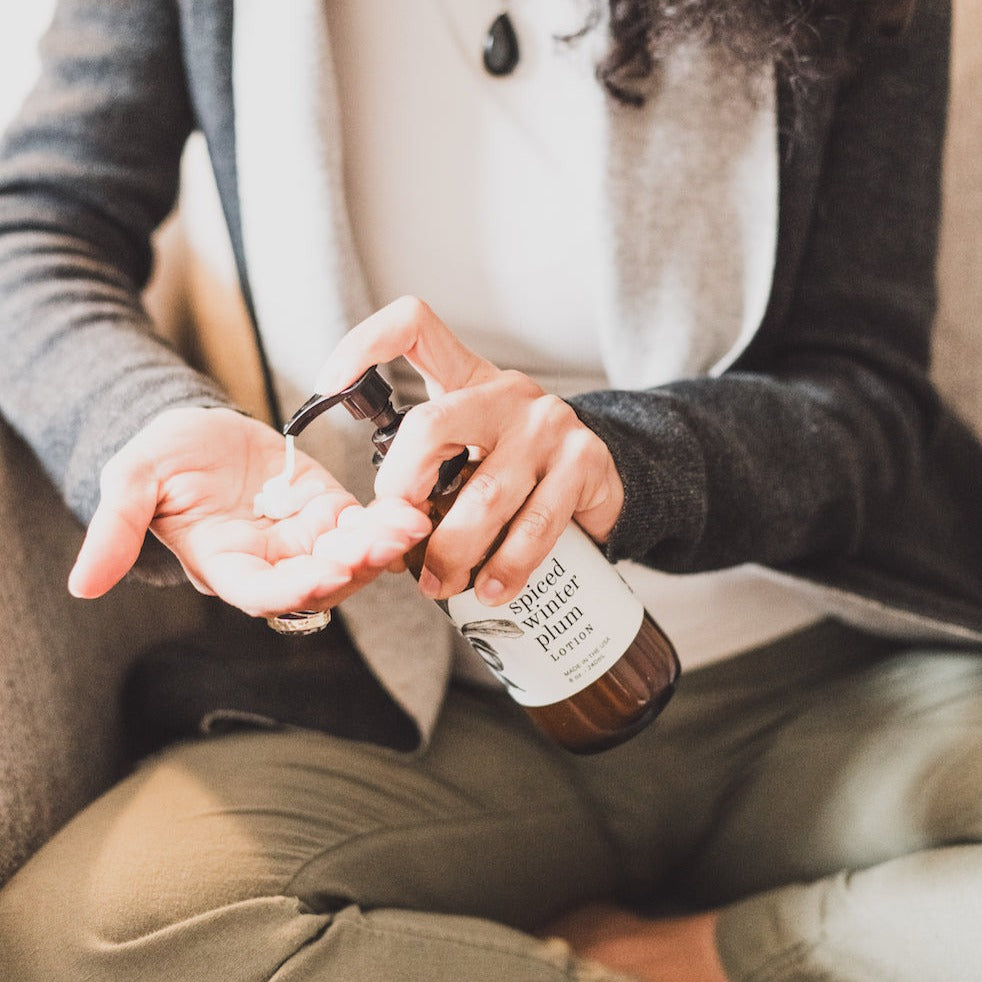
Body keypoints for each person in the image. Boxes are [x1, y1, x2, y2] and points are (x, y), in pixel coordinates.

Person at [1, 0, 980, 979]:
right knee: (91, 940)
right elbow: (36, 229)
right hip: (445, 714)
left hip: (829, 688)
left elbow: (865, 388)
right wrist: (150, 420)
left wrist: (628, 457)